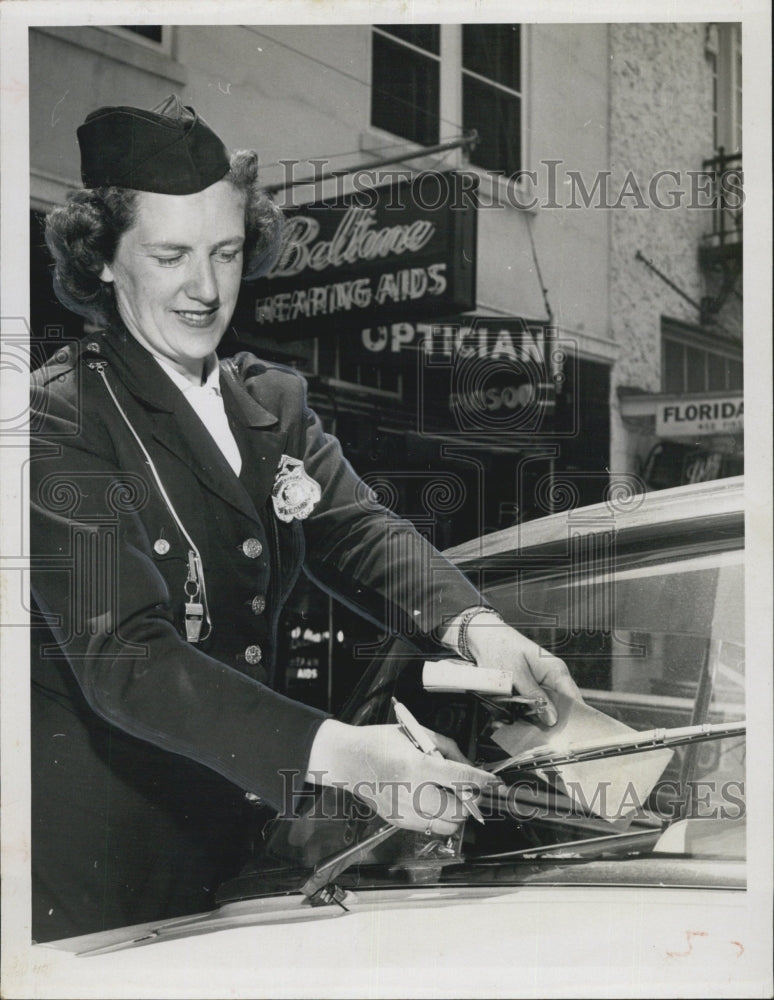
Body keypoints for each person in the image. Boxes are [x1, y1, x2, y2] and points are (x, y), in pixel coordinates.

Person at [30, 95, 580, 942]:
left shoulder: (268, 402)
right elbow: (126, 657)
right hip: (100, 883)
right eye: (171, 255)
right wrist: (356, 758)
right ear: (102, 260)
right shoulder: (58, 418)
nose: (206, 288)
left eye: (225, 250)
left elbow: (360, 529)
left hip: (238, 856)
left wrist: (480, 631)